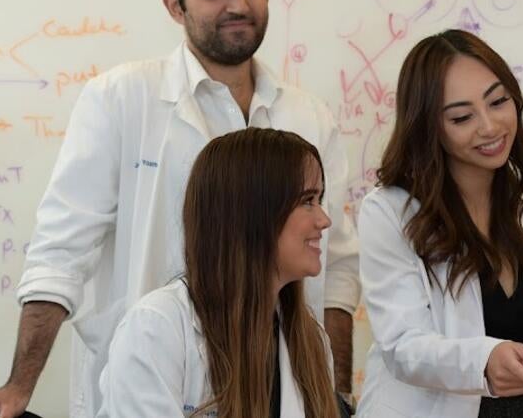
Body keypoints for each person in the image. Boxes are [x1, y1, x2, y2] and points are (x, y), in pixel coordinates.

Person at [0, 0, 360, 416]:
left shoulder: (310, 116)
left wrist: (334, 399)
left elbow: (338, 273)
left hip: (277, 367)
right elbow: (60, 254)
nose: (238, 4)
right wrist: (20, 386)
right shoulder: (121, 98)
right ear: (176, 6)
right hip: (156, 376)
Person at [355, 29, 523, 418]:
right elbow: (402, 344)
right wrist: (484, 359)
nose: (489, 126)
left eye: (498, 101)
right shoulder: (390, 213)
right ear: (429, 126)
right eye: (462, 117)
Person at [99, 128, 342, 417]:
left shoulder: (311, 341)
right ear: (253, 213)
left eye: (319, 199)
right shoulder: (157, 329)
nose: (324, 220)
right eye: (307, 201)